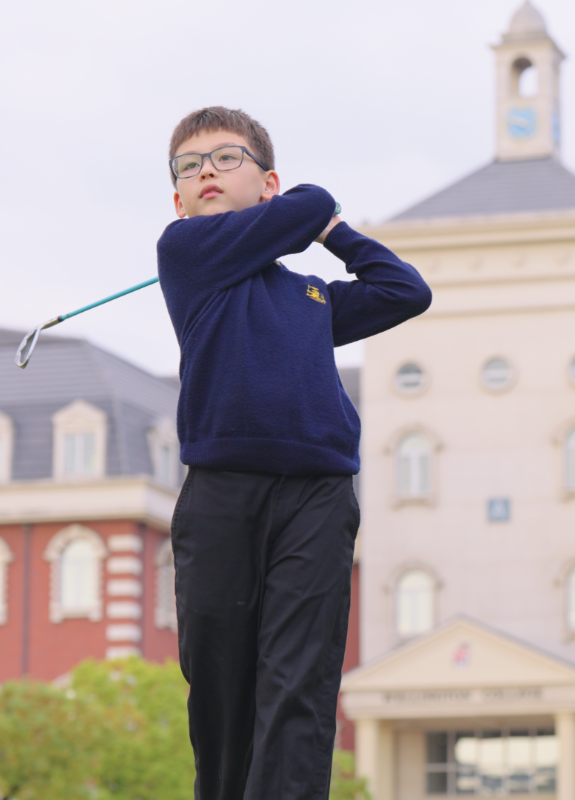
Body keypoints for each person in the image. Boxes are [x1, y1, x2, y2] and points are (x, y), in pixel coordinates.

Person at [157, 106, 431, 800]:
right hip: (221, 494)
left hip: (316, 495)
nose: (206, 172)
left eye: (226, 158)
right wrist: (315, 212)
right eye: (190, 167)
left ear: (266, 181)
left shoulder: (311, 296)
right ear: (179, 198)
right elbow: (309, 201)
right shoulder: (187, 255)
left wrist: (335, 233)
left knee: (298, 685)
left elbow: (405, 290)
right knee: (221, 685)